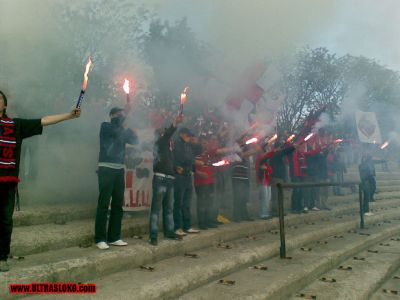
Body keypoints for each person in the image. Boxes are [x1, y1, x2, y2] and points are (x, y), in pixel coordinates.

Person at [0, 90, 81, 272]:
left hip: (7, 183)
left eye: (0, 99)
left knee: (5, 221)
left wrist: (68, 115)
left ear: (5, 105)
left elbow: (43, 120)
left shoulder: (16, 125)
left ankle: (2, 256)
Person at [95, 107, 138, 250]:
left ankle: (114, 237)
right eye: (119, 114)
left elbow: (135, 141)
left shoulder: (123, 129)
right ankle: (100, 238)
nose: (121, 116)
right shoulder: (105, 126)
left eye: (122, 114)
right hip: (106, 168)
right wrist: (123, 123)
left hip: (119, 169)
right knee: (103, 204)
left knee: (118, 204)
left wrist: (129, 126)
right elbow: (115, 131)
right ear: (112, 115)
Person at [148, 115, 183, 246]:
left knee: (169, 208)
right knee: (156, 209)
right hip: (160, 178)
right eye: (163, 132)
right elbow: (168, 134)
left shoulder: (168, 148)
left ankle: (169, 232)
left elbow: (167, 162)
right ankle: (153, 236)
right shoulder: (160, 143)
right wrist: (175, 123)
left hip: (170, 179)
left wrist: (175, 168)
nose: (166, 134)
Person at [173, 127, 200, 236]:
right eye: (188, 136)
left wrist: (193, 170)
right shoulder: (177, 144)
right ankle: (177, 227)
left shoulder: (188, 145)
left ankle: (187, 226)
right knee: (178, 203)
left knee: (187, 203)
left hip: (188, 176)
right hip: (180, 176)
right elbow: (182, 158)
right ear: (181, 134)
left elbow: (192, 157)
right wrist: (194, 162)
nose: (189, 138)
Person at [255, 145, 274, 219]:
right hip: (262, 180)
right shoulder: (259, 159)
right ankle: (263, 213)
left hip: (268, 180)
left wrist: (267, 168)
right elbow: (258, 168)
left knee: (268, 198)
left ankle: (266, 213)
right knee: (264, 198)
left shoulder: (266, 160)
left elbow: (270, 169)